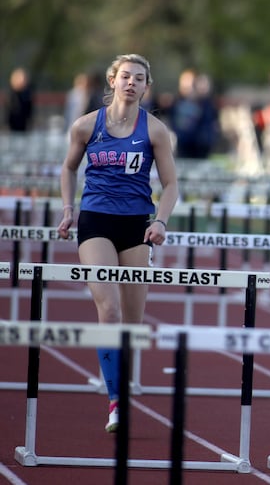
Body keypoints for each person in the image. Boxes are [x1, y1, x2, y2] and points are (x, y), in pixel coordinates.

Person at [57, 54, 179, 432]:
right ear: (112, 81)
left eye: (139, 78)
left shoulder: (155, 130)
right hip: (95, 221)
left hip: (136, 226)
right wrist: (67, 208)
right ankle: (116, 400)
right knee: (108, 311)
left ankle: (118, 380)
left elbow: (172, 184)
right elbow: (69, 167)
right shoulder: (85, 126)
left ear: (146, 86)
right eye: (125, 76)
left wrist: (161, 221)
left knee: (132, 322)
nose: (131, 83)